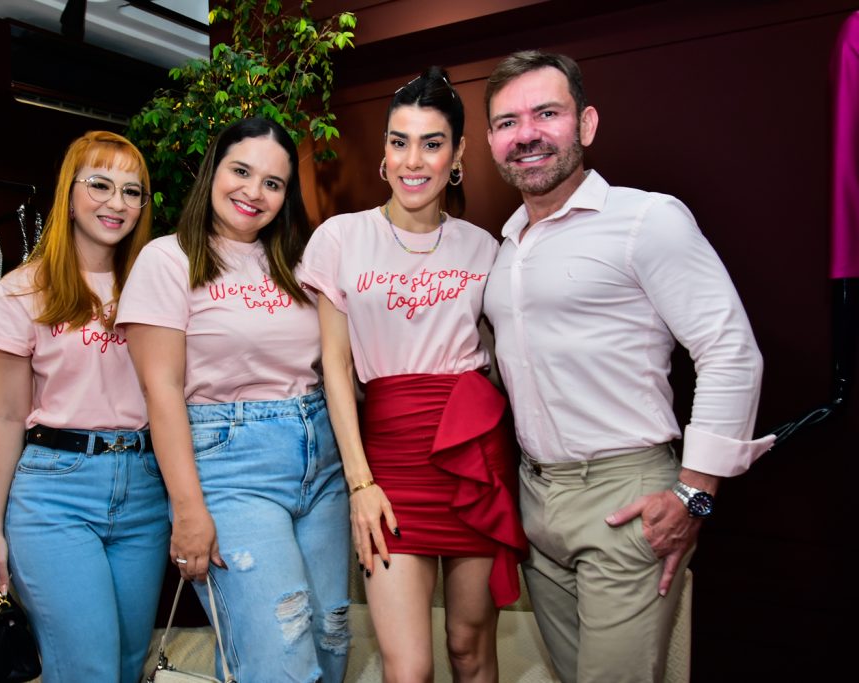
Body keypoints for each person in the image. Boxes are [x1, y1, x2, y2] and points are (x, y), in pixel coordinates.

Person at [482, 50, 775, 683]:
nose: (526, 133)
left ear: (585, 125)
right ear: (490, 141)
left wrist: (695, 493)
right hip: (538, 499)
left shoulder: (646, 219)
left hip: (625, 496)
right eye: (507, 122)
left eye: (546, 113)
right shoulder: (505, 247)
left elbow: (729, 350)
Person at [302, 67, 528, 682]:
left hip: (473, 455)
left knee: (469, 647)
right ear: (383, 150)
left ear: (457, 155)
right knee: (408, 668)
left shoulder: (485, 247)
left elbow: (510, 355)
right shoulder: (341, 238)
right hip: (388, 462)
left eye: (432, 143)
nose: (413, 160)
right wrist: (359, 483)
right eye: (399, 141)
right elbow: (336, 370)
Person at [116, 117, 351, 683]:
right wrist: (190, 510)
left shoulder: (299, 261)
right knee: (280, 655)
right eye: (241, 171)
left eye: (273, 183)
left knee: (330, 637)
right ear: (211, 172)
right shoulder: (166, 260)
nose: (254, 192)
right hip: (230, 467)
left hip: (320, 463)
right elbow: (161, 392)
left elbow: (334, 362)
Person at [0, 131, 168, 683]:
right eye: (101, 185)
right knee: (88, 668)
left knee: (130, 664)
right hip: (55, 493)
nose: (117, 203)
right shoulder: (23, 290)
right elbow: (7, 416)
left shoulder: (157, 285)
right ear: (69, 193)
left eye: (133, 192)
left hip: (145, 489)